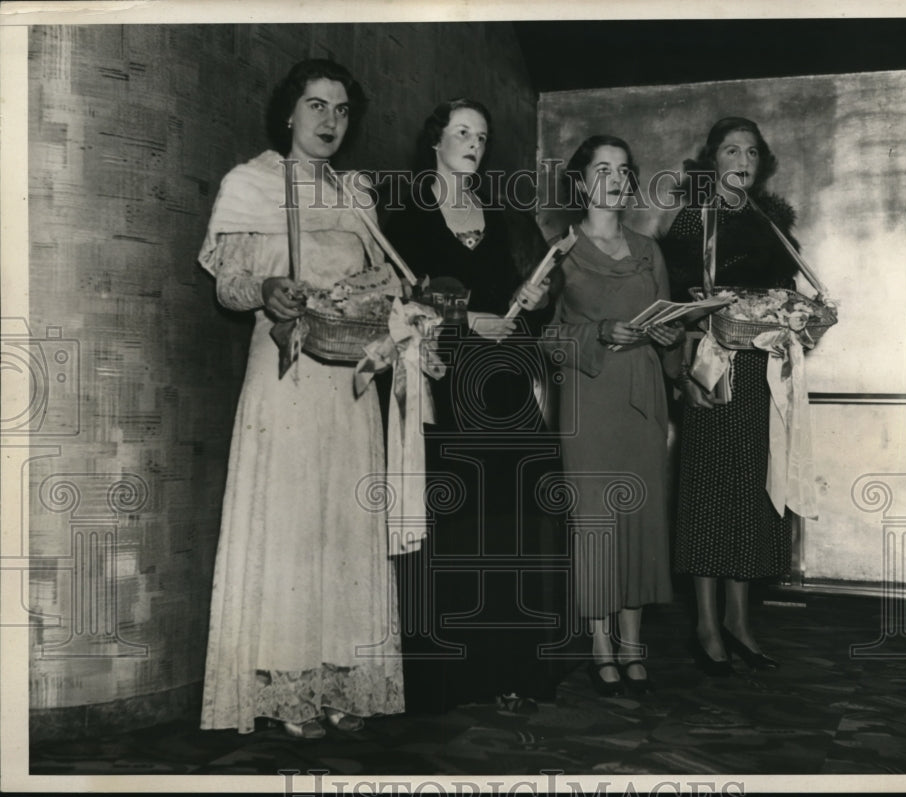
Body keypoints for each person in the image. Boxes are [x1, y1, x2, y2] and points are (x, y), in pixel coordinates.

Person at [197, 59, 404, 738]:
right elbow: (229, 283)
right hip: (284, 375)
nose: (329, 122)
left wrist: (390, 307)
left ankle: (343, 677)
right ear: (290, 113)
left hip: (349, 381)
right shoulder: (251, 184)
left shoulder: (356, 197)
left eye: (342, 110)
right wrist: (265, 290)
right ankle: (287, 688)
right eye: (317, 106)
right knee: (290, 530)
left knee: (342, 528)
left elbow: (383, 283)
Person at [384, 98, 569, 715]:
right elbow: (397, 298)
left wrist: (534, 296)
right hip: (444, 383)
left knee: (512, 533)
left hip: (506, 386)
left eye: (481, 136)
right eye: (461, 132)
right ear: (435, 140)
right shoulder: (404, 211)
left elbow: (532, 300)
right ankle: (449, 679)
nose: (472, 143)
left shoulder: (505, 214)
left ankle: (512, 670)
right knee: (452, 531)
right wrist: (466, 319)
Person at [661, 116, 800, 675]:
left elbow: (787, 296)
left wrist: (790, 319)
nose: (741, 160)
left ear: (760, 163)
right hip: (712, 370)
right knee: (708, 494)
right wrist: (683, 372)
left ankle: (741, 622)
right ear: (712, 160)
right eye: (729, 150)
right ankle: (704, 623)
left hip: (761, 375)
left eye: (750, 152)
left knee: (752, 494)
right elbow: (672, 304)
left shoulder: (772, 222)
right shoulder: (695, 219)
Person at [546, 135, 685, 696]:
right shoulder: (560, 251)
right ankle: (600, 641)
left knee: (641, 517)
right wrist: (599, 333)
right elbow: (546, 337)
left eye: (623, 170)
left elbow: (673, 328)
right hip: (589, 396)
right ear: (581, 182)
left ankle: (633, 641)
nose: (615, 179)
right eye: (601, 169)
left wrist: (671, 335)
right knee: (597, 523)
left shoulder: (650, 250)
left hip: (643, 396)